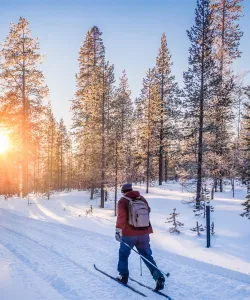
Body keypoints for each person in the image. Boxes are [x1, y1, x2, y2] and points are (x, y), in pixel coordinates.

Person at [115, 183, 165, 291]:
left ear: (123, 191)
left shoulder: (123, 201)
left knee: (123, 255)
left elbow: (121, 217)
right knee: (147, 256)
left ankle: (123, 276)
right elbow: (148, 211)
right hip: (144, 233)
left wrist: (118, 231)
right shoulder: (142, 198)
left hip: (129, 234)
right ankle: (159, 277)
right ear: (131, 189)